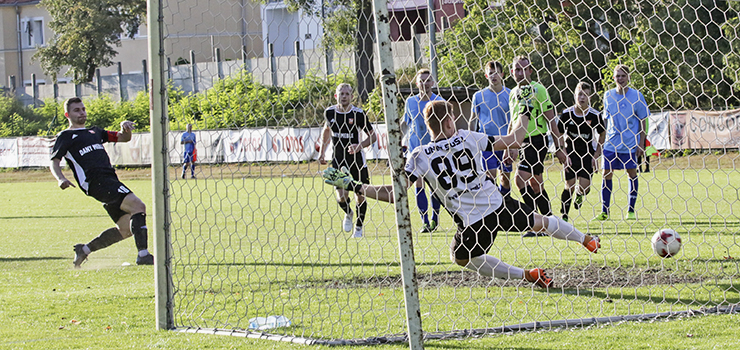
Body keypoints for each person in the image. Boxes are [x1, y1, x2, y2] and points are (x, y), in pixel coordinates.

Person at [323, 98, 600, 288]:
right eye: (452, 118)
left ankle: (527, 275)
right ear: (448, 124)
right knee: (540, 222)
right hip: (497, 203)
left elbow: (394, 194)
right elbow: (514, 139)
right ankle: (585, 239)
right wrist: (524, 113)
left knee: (461, 257)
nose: (455, 121)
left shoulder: (420, 156)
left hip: (472, 222)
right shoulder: (468, 136)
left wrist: (356, 186)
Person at [50, 97, 154, 268]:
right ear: (67, 114)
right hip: (95, 182)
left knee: (125, 229)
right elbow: (54, 161)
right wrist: (60, 178)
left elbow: (123, 138)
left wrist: (125, 128)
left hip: (109, 180)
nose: (82, 112)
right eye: (77, 110)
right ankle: (143, 255)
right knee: (138, 206)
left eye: (83, 109)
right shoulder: (66, 136)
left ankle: (84, 250)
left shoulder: (95, 132)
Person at [508, 56, 567, 237]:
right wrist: (510, 145)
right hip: (522, 142)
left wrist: (559, 148)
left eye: (525, 69)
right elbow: (513, 120)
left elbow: (551, 119)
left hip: (536, 141)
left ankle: (534, 223)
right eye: (517, 70)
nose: (521, 73)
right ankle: (549, 221)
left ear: (531, 71)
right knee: (535, 184)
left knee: (520, 179)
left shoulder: (538, 90)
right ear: (512, 72)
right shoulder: (512, 93)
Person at [318, 83, 377, 238]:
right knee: (341, 196)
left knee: (360, 194)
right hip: (338, 160)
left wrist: (360, 146)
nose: (344, 96)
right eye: (341, 94)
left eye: (347, 94)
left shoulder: (358, 114)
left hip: (357, 161)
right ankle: (349, 213)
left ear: (352, 97)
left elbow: (373, 136)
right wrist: (322, 152)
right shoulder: (329, 112)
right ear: (336, 96)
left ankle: (359, 227)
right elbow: (326, 130)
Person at [594, 64, 649, 221]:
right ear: (613, 78)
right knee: (606, 174)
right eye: (617, 76)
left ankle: (630, 211)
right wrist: (601, 142)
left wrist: (641, 143)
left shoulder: (637, 96)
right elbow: (606, 120)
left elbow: (643, 120)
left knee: (632, 173)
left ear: (628, 77)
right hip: (611, 143)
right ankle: (605, 211)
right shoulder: (608, 95)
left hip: (630, 143)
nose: (620, 79)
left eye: (623, 75)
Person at [401, 68, 445, 233]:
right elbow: (406, 123)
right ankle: (425, 221)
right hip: (415, 150)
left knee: (434, 186)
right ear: (416, 83)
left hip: (434, 149)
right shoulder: (410, 102)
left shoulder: (439, 101)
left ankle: (435, 218)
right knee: (418, 184)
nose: (425, 84)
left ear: (433, 83)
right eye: (422, 80)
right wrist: (398, 140)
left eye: (428, 80)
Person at [557, 82, 606, 222]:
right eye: (580, 94)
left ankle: (580, 194)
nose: (582, 98)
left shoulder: (595, 115)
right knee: (569, 185)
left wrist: (596, 155)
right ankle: (564, 216)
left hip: (587, 155)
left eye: (585, 95)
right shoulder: (567, 114)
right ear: (575, 96)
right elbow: (559, 134)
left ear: (589, 97)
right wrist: (563, 153)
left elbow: (602, 134)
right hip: (571, 155)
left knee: (584, 188)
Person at [469, 61, 513, 196]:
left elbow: (515, 120)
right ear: (486, 76)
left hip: (505, 141)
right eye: (491, 73)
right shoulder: (479, 96)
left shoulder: (510, 94)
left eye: (496, 73)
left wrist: (512, 144)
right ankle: (494, 206)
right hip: (487, 141)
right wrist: (471, 139)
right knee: (490, 177)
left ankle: (505, 202)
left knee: (505, 178)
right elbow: (472, 119)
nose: (494, 76)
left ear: (502, 75)